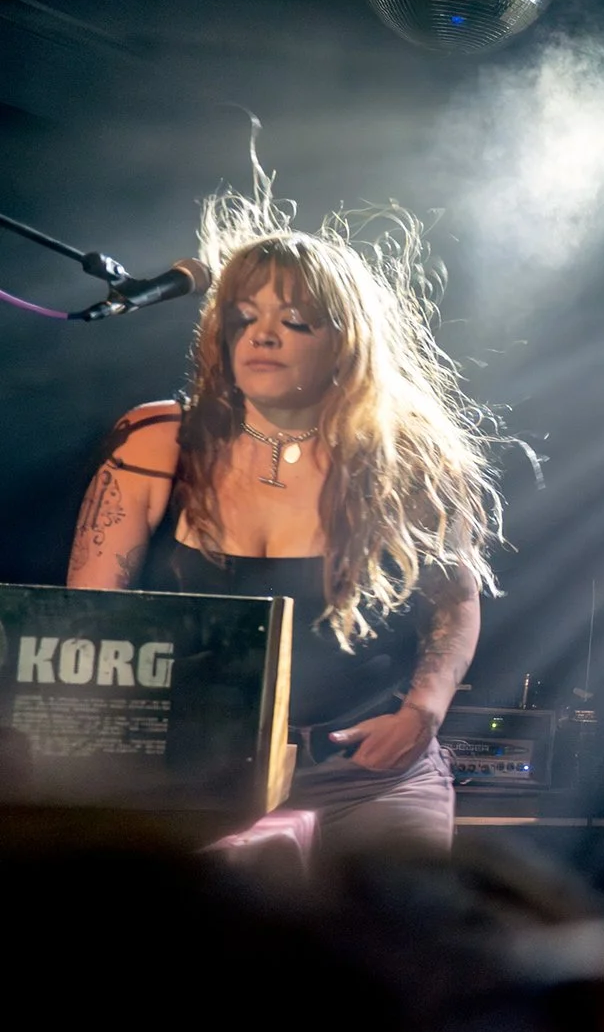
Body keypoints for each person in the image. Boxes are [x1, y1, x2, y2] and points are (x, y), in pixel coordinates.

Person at [65, 182, 500, 851]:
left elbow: (455, 602)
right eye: (243, 316)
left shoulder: (409, 455)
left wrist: (423, 710)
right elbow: (91, 619)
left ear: (344, 340)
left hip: (366, 775)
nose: (263, 334)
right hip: (189, 780)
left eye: (295, 319)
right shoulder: (158, 440)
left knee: (395, 943)